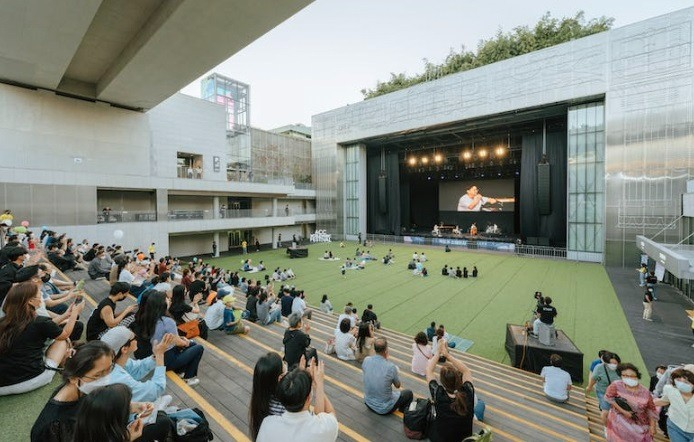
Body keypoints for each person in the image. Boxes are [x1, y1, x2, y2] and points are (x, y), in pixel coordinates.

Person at [0, 281, 84, 396]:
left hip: (2, 385)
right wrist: (75, 313)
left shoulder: (5, 321)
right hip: (28, 380)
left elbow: (45, 327)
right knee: (61, 340)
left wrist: (66, 315)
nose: (42, 299)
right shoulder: (39, 322)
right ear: (30, 301)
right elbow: (65, 333)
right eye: (39, 295)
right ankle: (66, 365)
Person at [256, 358, 338, 442]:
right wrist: (318, 385)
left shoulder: (268, 424)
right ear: (308, 398)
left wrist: (301, 377)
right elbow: (330, 414)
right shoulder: (325, 428)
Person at [135, 291, 204, 386]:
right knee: (198, 348)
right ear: (161, 304)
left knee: (192, 344)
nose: (169, 300)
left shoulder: (148, 316)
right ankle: (188, 378)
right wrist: (186, 342)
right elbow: (178, 343)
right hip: (166, 359)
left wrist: (183, 340)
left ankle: (180, 371)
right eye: (167, 299)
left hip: (156, 354)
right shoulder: (167, 321)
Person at [100, 326, 172, 402]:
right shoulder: (121, 379)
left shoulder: (111, 360)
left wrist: (155, 355)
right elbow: (156, 390)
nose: (136, 337)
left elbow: (137, 369)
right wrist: (160, 355)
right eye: (133, 337)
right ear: (124, 349)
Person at [425, 338, 475, 441]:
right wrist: (448, 355)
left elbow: (429, 370)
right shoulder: (468, 391)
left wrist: (438, 352)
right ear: (458, 378)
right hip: (465, 439)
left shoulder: (438, 394)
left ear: (443, 383)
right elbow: (466, 371)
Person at [604, 363, 657, 441]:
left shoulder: (645, 392)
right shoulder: (616, 385)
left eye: (631, 376)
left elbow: (651, 409)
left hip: (640, 424)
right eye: (624, 375)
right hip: (619, 422)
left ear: (637, 376)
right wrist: (624, 411)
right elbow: (609, 398)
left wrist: (653, 426)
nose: (628, 378)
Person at [362, 337, 413, 414]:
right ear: (386, 350)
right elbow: (398, 385)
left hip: (368, 402)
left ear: (375, 349)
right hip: (383, 408)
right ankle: (402, 412)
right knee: (409, 393)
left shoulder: (366, 360)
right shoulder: (391, 367)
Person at [249, 352, 287, 440]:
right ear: (280, 378)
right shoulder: (284, 406)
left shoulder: (260, 399)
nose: (285, 364)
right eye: (283, 363)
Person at [654, 367, 694, 442]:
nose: (682, 384)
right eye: (678, 380)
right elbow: (665, 400)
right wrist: (647, 403)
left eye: (686, 382)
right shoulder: (670, 389)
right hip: (675, 426)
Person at [587, 351, 621, 420]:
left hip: (614, 394)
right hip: (602, 392)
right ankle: (606, 426)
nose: (613, 365)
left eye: (615, 363)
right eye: (611, 363)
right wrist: (589, 387)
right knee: (606, 411)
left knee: (614, 409)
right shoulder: (599, 368)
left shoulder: (620, 369)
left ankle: (602, 406)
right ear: (606, 362)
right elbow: (594, 378)